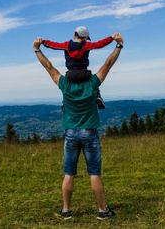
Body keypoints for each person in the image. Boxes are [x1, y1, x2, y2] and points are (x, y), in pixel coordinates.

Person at [33, 33, 124, 220]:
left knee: (69, 174)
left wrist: (37, 49)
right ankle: (102, 211)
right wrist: (118, 46)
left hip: (71, 133)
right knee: (94, 174)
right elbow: (107, 65)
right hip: (90, 132)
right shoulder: (92, 84)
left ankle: (66, 210)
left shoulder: (65, 85)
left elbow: (49, 67)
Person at [42, 26, 114, 109]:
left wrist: (43, 42)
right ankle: (97, 96)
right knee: (94, 81)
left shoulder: (66, 45)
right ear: (86, 37)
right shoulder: (86, 45)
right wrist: (111, 38)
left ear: (74, 36)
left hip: (71, 75)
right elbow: (100, 44)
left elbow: (54, 45)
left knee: (67, 85)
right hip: (84, 74)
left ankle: (65, 100)